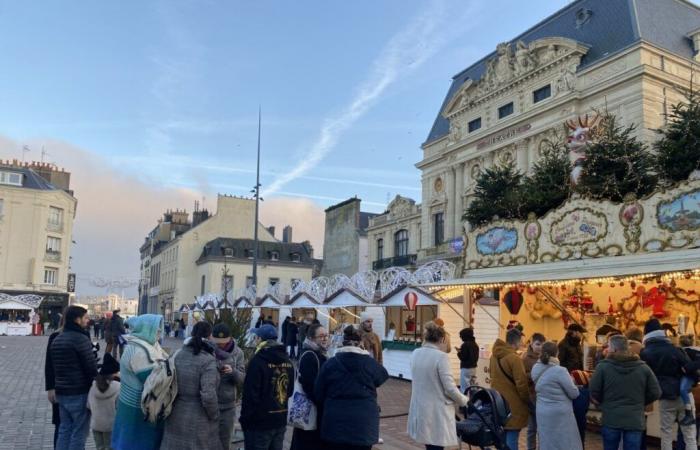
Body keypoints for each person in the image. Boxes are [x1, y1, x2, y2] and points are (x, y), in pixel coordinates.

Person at [315, 325, 389, 450]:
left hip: (335, 424)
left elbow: (318, 393)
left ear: (343, 342)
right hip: (363, 425)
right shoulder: (370, 363)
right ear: (360, 343)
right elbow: (382, 376)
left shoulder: (330, 364)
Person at [591, 334, 661, 450]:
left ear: (613, 349)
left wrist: (603, 404)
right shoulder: (643, 368)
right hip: (635, 419)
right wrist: (641, 402)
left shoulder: (602, 367)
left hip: (611, 418)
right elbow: (656, 392)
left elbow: (594, 391)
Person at [161, 321, 222, 450]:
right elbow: (208, 395)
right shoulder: (208, 360)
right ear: (210, 336)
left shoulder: (177, 354)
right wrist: (215, 414)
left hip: (174, 411)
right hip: (199, 418)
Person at [408, 321, 469, 450]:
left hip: (420, 407)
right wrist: (464, 400)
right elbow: (450, 388)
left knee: (429, 445)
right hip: (437, 411)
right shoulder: (441, 357)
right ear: (441, 339)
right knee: (436, 445)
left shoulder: (415, 353)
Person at [111, 314, 166, 450]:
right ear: (146, 329)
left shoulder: (141, 345)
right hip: (138, 409)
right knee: (136, 442)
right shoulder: (140, 351)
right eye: (157, 330)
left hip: (132, 406)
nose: (159, 333)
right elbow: (154, 380)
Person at [641, 318, 698, 450]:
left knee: (666, 433)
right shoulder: (675, 350)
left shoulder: (645, 353)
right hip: (684, 397)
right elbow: (690, 369)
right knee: (689, 435)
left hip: (664, 396)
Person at [49, 305, 98, 450]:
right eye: (86, 317)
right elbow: (90, 368)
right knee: (79, 431)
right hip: (79, 391)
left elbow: (53, 366)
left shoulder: (57, 339)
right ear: (77, 319)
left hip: (61, 392)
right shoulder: (80, 339)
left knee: (64, 429)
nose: (88, 320)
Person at [240, 324, 294, 450]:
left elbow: (250, 395)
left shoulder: (257, 361)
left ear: (260, 339)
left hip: (259, 424)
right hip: (280, 419)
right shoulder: (288, 361)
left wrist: (245, 420)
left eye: (257, 337)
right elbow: (289, 391)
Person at [531, 341, 581, 450]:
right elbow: (574, 393)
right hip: (560, 413)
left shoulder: (535, 368)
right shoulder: (560, 371)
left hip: (542, 411)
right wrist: (573, 382)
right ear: (557, 353)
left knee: (547, 441)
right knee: (563, 442)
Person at [291, 323, 330, 450]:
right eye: (321, 336)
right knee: (307, 442)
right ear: (312, 338)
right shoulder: (309, 355)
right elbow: (309, 386)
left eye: (326, 336)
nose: (325, 339)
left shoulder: (322, 354)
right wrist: (323, 401)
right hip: (310, 409)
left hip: (317, 411)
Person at [490, 328, 529, 450]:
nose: (522, 344)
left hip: (499, 403)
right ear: (516, 342)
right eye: (521, 342)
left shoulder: (494, 356)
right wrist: (527, 400)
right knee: (512, 438)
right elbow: (521, 384)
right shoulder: (514, 358)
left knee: (503, 439)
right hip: (514, 405)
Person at [212, 323, 246, 450]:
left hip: (228, 406)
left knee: (225, 442)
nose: (220, 344)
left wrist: (233, 372)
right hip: (209, 403)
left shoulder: (238, 353)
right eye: (217, 341)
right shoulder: (208, 350)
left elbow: (242, 379)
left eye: (223, 341)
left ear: (230, 338)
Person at [88, 353, 121, 450]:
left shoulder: (93, 385)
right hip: (111, 425)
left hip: (96, 424)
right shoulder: (118, 387)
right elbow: (119, 407)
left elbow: (88, 405)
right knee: (110, 447)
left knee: (99, 447)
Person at [44, 313, 65, 449]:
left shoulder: (83, 335)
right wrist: (50, 387)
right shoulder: (55, 336)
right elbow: (49, 364)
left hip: (61, 385)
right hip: (60, 385)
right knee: (61, 424)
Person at [522, 332, 545, 450]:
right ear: (531, 343)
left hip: (543, 397)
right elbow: (522, 376)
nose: (539, 347)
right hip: (532, 396)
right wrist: (533, 375)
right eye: (537, 344)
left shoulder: (545, 357)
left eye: (542, 345)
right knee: (532, 428)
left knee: (542, 427)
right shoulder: (526, 358)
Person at [678, 334, 700, 426]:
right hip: (691, 376)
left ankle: (689, 413)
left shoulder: (693, 351)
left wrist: (686, 368)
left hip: (690, 376)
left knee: (683, 389)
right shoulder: (694, 351)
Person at [457, 327, 479, 393]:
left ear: (465, 336)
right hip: (474, 368)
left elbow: (463, 357)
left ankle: (465, 402)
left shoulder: (465, 345)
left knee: (464, 387)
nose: (461, 338)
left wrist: (459, 352)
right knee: (473, 386)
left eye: (461, 336)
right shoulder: (475, 345)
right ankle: (474, 400)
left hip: (466, 368)